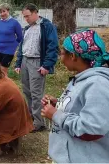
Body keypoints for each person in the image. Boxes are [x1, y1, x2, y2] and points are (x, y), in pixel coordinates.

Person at [41, 29, 109, 163]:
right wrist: (60, 104)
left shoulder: (97, 84)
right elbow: (81, 108)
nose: (61, 59)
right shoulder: (82, 78)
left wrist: (56, 115)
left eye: (62, 54)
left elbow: (92, 130)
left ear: (73, 56)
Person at [14, 3, 59, 132]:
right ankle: (31, 117)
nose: (26, 19)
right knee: (27, 91)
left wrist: (47, 65)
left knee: (36, 93)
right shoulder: (27, 28)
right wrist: (18, 63)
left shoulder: (47, 26)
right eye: (24, 17)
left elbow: (53, 46)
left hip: (37, 63)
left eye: (27, 16)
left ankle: (39, 122)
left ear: (35, 13)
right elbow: (22, 46)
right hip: (25, 62)